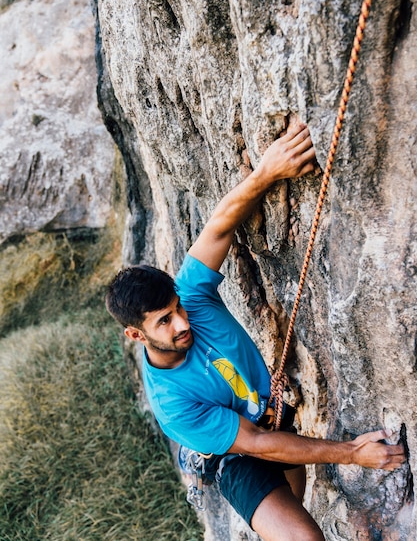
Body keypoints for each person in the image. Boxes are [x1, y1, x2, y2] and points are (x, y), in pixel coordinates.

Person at [106, 123, 405, 541]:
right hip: (235, 455)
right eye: (164, 321)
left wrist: (266, 172)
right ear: (137, 336)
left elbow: (219, 227)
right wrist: (354, 453)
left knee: (293, 511)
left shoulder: (191, 295)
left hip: (271, 417)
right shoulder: (172, 402)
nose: (183, 322)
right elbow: (259, 445)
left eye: (177, 308)